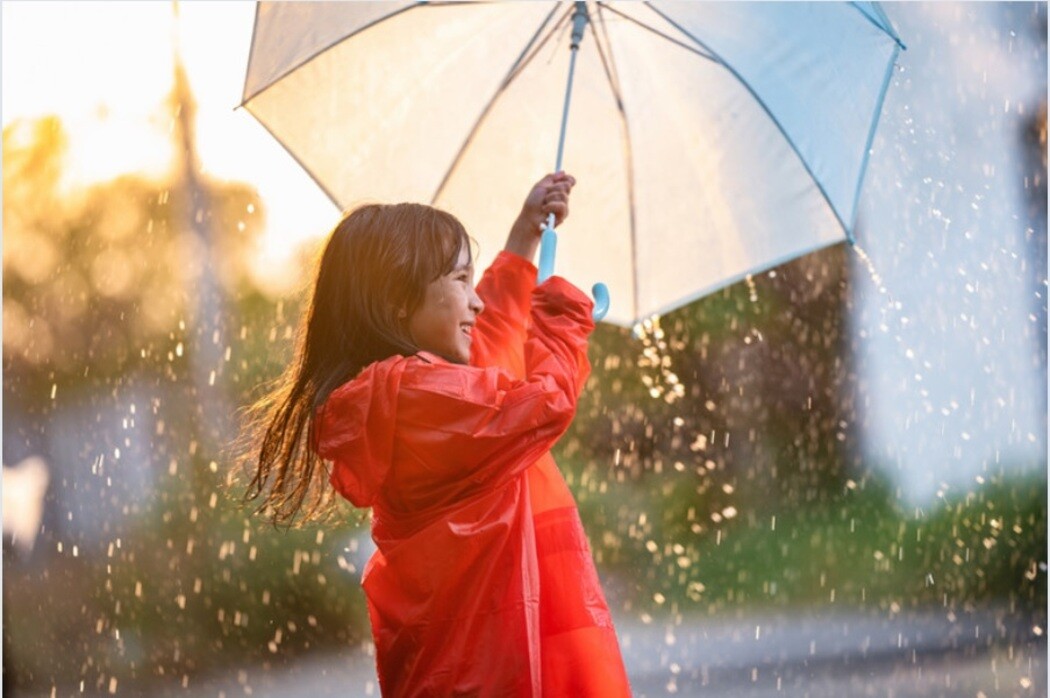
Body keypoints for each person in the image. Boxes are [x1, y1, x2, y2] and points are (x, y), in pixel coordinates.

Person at [241, 173, 631, 696]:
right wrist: (560, 321)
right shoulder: (417, 398)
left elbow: (490, 343)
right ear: (398, 300)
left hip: (468, 664)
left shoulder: (408, 394)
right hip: (485, 672)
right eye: (459, 281)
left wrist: (523, 238)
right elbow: (542, 405)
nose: (477, 302)